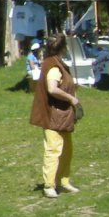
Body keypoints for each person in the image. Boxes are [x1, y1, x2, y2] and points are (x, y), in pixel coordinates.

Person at [29, 32, 81, 198]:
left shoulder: (57, 63)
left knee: (67, 149)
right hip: (52, 114)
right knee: (53, 149)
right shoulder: (53, 66)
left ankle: (64, 182)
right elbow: (52, 88)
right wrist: (72, 98)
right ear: (63, 49)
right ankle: (49, 185)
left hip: (62, 114)